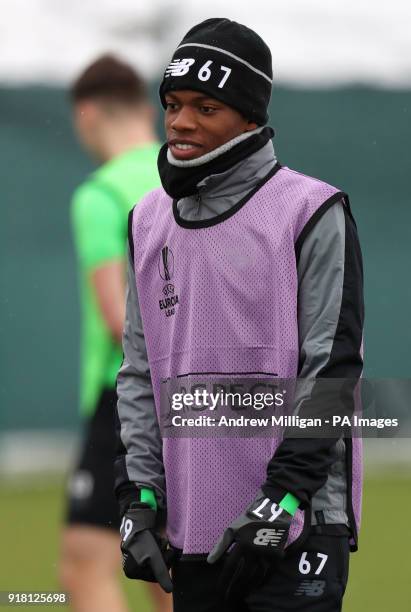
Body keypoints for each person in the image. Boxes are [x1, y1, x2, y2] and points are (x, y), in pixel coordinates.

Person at [114, 18, 364, 612]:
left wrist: (282, 500)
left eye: (206, 107)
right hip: (195, 535)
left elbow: (332, 373)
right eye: (173, 103)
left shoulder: (311, 209)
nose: (180, 122)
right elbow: (140, 378)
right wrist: (138, 499)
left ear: (250, 117)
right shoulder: (145, 221)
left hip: (294, 529)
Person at [59, 54, 172, 612]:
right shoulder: (185, 173)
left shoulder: (100, 195)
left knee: (84, 565)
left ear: (86, 114)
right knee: (167, 565)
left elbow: (116, 315)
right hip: (189, 394)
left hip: (123, 400)